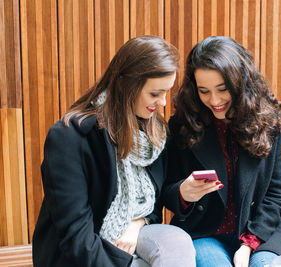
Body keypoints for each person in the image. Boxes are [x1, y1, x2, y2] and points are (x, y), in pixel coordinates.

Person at [32, 36, 196, 267]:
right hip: (83, 254)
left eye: (166, 92)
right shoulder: (70, 137)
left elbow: (153, 208)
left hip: (133, 240)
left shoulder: (154, 134)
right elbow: (76, 237)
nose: (162, 103)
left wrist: (138, 223)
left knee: (177, 242)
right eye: (154, 94)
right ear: (126, 85)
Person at [163, 36, 281, 267]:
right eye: (204, 91)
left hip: (262, 233)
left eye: (223, 89)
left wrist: (248, 244)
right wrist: (184, 194)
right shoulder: (182, 124)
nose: (214, 100)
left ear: (240, 82)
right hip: (205, 233)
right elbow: (167, 189)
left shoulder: (267, 121)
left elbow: (277, 194)